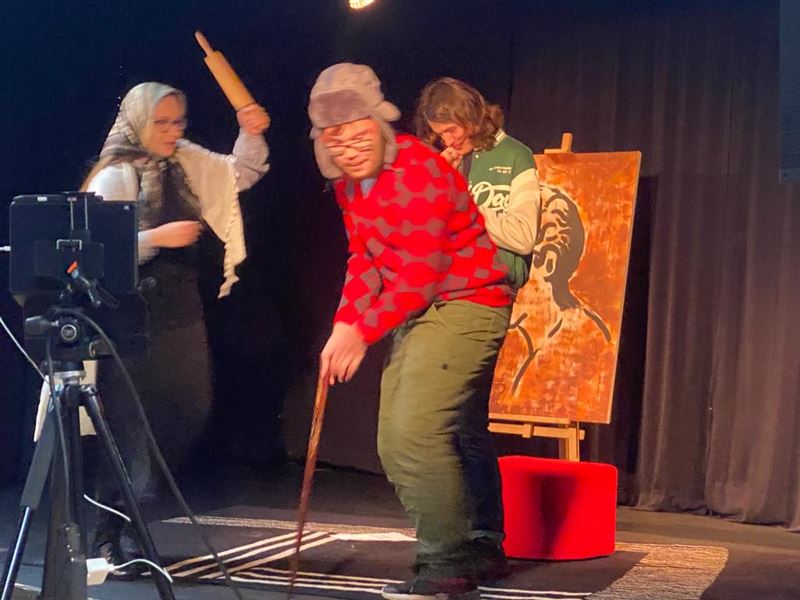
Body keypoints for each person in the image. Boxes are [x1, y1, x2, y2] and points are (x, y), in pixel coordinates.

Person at [308, 63, 513, 600]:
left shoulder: (418, 170)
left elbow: (420, 275)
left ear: (379, 125)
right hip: (423, 311)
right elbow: (365, 258)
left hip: (466, 303)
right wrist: (344, 321)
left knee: (411, 435)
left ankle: (446, 565)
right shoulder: (349, 186)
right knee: (414, 436)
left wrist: (362, 331)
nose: (350, 150)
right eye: (336, 141)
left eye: (359, 136)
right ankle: (478, 548)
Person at [83, 81, 270, 577]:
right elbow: (94, 252)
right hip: (132, 315)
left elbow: (238, 173)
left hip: (180, 309)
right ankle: (113, 536)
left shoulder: (183, 161)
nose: (172, 132)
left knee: (188, 410)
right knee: (132, 428)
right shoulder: (117, 174)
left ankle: (129, 524)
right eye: (161, 123)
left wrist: (250, 132)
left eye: (178, 122)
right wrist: (157, 237)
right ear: (138, 123)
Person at [414, 77, 540, 574]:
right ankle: (457, 534)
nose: (449, 140)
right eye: (440, 132)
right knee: (441, 423)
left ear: (473, 116)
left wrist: (462, 200)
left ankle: (484, 536)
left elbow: (523, 236)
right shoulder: (443, 161)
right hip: (438, 296)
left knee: (465, 422)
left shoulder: (514, 157)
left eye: (454, 129)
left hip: (484, 296)